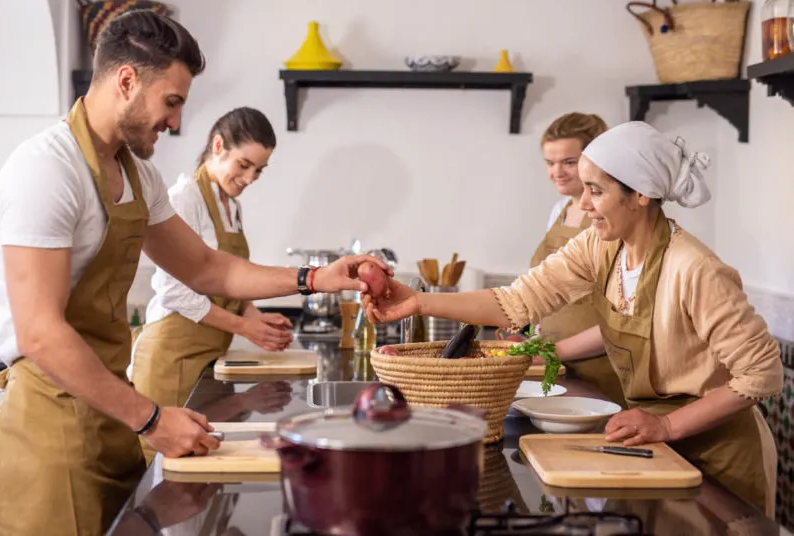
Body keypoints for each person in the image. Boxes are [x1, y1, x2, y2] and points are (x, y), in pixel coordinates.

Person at [0, 9, 389, 536]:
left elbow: (207, 268)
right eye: (172, 102)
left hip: (110, 408)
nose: (177, 122)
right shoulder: (46, 168)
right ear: (127, 81)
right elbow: (40, 333)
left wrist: (315, 277)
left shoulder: (140, 176)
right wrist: (153, 419)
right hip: (49, 417)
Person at [364, 121, 783, 516]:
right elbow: (516, 302)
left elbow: (762, 375)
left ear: (639, 194)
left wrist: (668, 425)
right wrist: (417, 302)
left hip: (720, 453)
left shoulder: (695, 269)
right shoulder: (600, 248)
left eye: (595, 191)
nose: (583, 204)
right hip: (651, 443)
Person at [129, 106, 292, 463]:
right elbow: (175, 291)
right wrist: (244, 327)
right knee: (165, 472)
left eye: (259, 171)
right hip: (170, 357)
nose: (250, 178)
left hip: (208, 357)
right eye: (244, 165)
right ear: (218, 146)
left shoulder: (231, 207)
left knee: (205, 458)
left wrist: (255, 315)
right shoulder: (184, 199)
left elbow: (228, 279)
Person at [530, 112, 624, 407]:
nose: (557, 172)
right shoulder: (558, 209)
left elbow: (624, 320)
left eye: (569, 162)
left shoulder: (612, 219)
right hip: (561, 367)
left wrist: (553, 350)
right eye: (550, 162)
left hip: (603, 370)